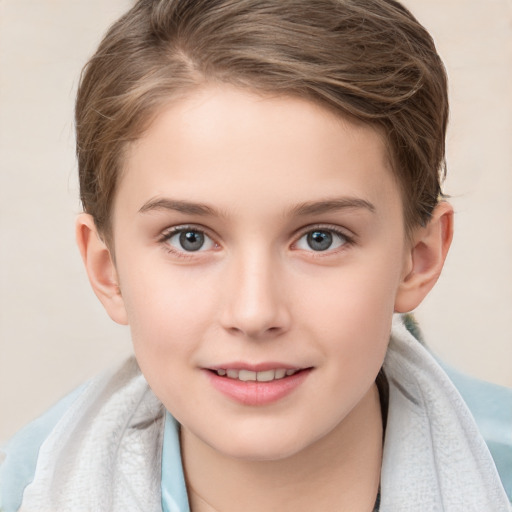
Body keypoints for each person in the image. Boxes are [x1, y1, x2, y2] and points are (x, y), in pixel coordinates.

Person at [1, 0, 510, 510]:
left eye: (320, 238)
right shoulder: (26, 489)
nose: (254, 312)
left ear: (418, 258)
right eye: (190, 238)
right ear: (107, 271)